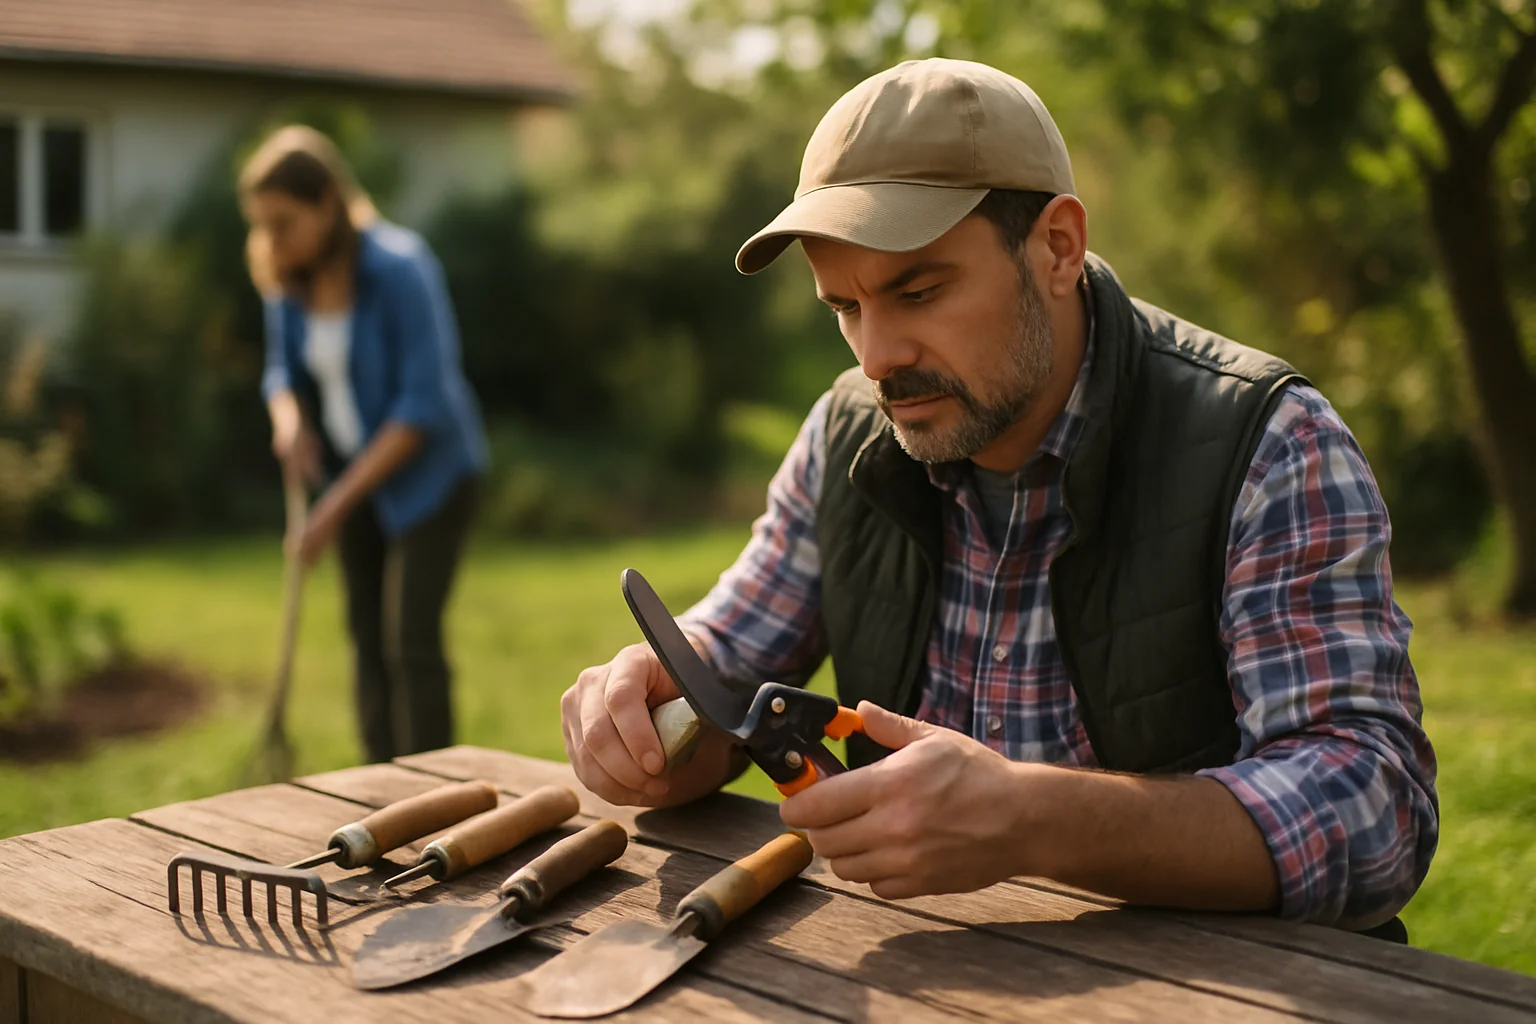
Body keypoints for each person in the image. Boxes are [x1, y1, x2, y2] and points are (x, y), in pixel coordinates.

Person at [560, 59, 1440, 937]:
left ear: (1057, 246)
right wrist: (649, 724)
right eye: (846, 306)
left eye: (919, 290)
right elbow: (728, 672)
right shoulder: (849, 432)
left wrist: (1033, 818)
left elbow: (1375, 810)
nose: (877, 358)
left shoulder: (1266, 442)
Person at [242, 125, 487, 763]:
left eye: (284, 221)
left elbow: (421, 406)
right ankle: (380, 789)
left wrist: (331, 508)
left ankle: (438, 793)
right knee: (367, 642)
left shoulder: (402, 269)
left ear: (327, 202)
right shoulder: (287, 278)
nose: (271, 240)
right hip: (355, 480)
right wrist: (287, 417)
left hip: (432, 477)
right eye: (262, 224)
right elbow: (281, 373)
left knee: (410, 641)